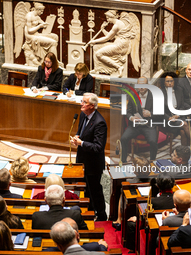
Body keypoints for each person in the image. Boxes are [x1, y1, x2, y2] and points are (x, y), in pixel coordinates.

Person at [70, 92, 107, 221]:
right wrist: (77, 138)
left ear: (92, 106)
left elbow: (98, 147)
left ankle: (102, 216)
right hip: (82, 160)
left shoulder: (99, 123)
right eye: (82, 101)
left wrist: (82, 143)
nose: (82, 104)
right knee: (84, 189)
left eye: (84, 102)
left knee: (95, 190)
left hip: (93, 164)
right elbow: (81, 132)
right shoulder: (83, 114)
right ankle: (89, 212)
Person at [89, 10, 139, 78]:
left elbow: (107, 38)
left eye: (107, 18)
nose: (107, 20)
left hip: (120, 46)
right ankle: (97, 69)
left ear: (111, 17)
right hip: (119, 44)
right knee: (95, 47)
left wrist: (94, 41)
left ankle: (119, 67)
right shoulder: (120, 22)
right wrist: (103, 29)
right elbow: (110, 37)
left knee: (98, 54)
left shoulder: (116, 25)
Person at [120, 77, 158, 162]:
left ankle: (152, 162)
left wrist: (150, 114)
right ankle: (123, 161)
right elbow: (128, 112)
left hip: (148, 126)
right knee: (123, 138)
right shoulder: (132, 95)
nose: (141, 87)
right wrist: (131, 118)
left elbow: (160, 114)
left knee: (153, 142)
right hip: (135, 126)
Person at [159, 72, 191, 147]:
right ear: (164, 82)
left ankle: (184, 151)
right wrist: (169, 118)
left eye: (171, 81)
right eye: (167, 81)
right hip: (167, 121)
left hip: (179, 118)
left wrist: (177, 115)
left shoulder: (179, 90)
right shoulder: (160, 93)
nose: (170, 83)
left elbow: (182, 106)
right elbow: (160, 110)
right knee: (185, 124)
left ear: (174, 81)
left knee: (183, 131)